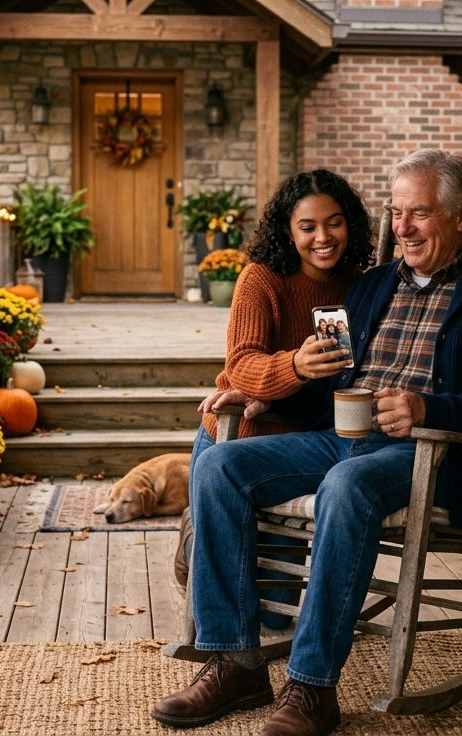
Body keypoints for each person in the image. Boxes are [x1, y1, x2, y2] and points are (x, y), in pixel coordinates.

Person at [152, 149, 462, 736]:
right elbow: (332, 374)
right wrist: (267, 396)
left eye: (420, 214)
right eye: (397, 213)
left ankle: (312, 688)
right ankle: (235, 661)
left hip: (428, 452)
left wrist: (426, 406)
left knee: (347, 484)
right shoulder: (371, 285)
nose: (404, 229)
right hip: (339, 436)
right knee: (219, 467)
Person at [180, 169, 374, 627]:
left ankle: (204, 536)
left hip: (302, 441)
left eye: (335, 223)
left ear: (352, 225)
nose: (323, 237)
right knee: (231, 585)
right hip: (235, 437)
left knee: (273, 614)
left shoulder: (360, 287)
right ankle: (202, 531)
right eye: (308, 227)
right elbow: (240, 366)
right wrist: (295, 367)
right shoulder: (261, 279)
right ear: (288, 232)